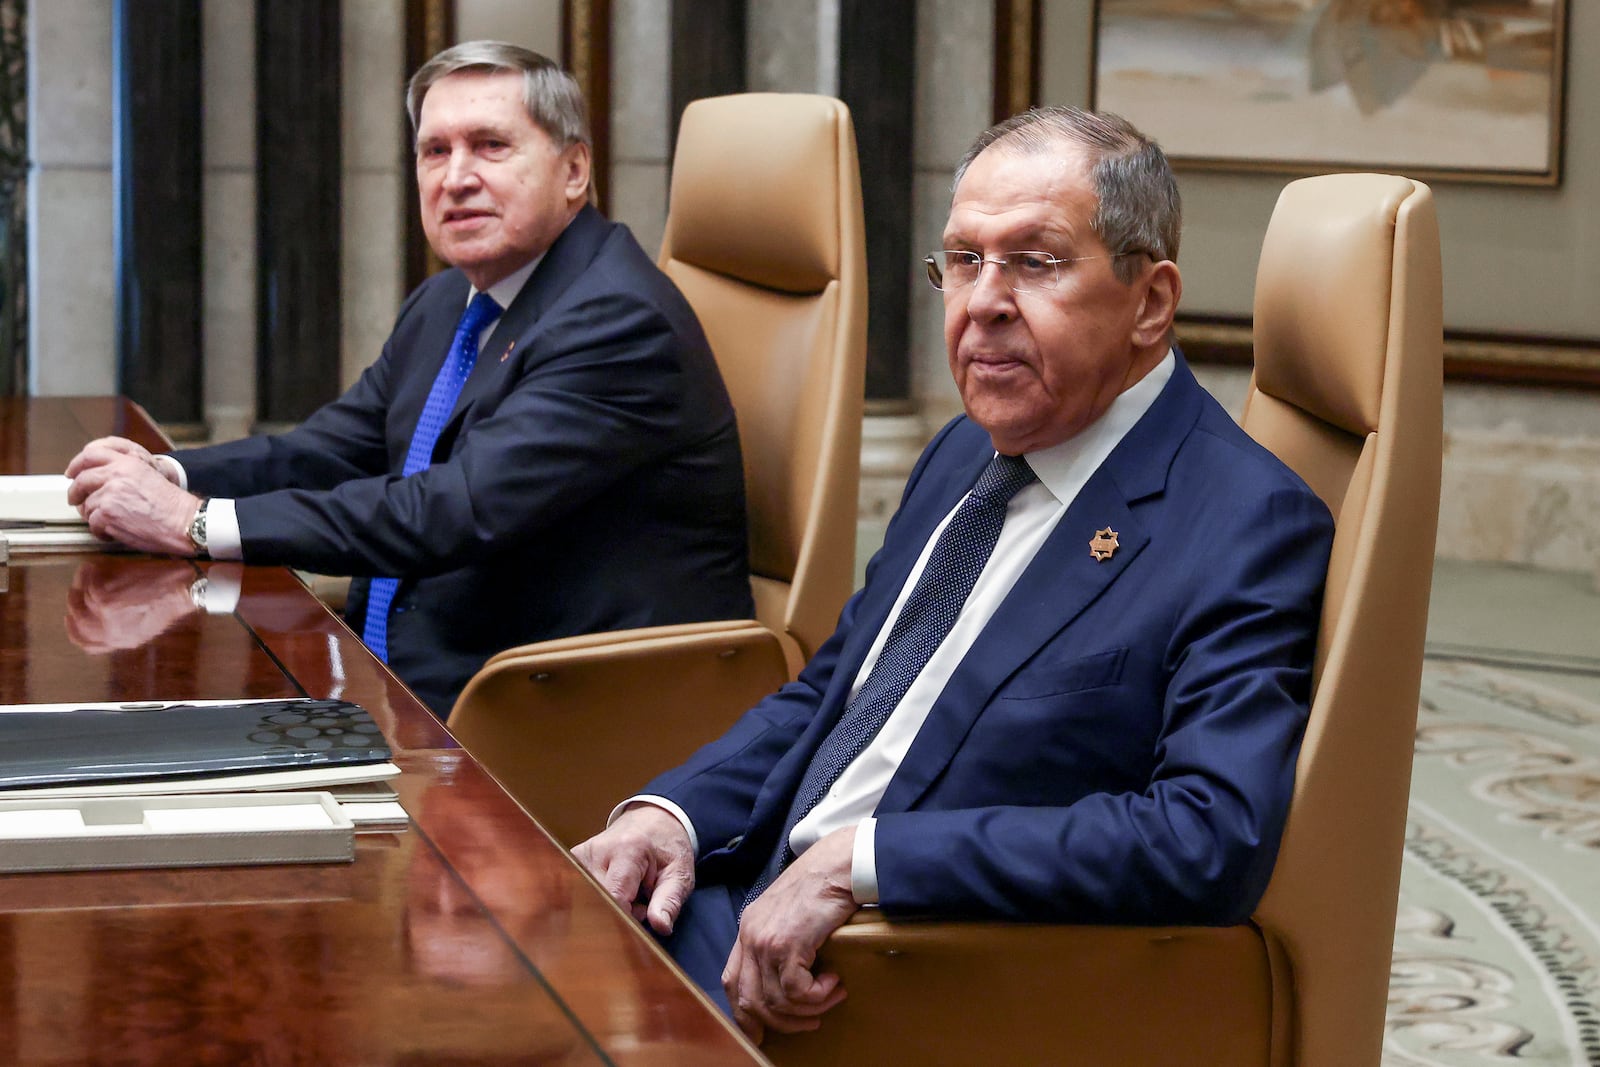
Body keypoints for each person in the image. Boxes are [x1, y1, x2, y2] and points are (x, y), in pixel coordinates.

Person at [573, 106, 1336, 1043]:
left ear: (1151, 300)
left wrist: (871, 860)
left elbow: (1204, 834)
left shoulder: (1243, 520)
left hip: (897, 970)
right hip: (747, 896)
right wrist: (674, 814)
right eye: (963, 260)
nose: (983, 301)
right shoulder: (965, 454)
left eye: (1036, 261)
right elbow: (835, 692)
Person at [64, 42, 753, 716]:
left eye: (490, 146)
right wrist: (170, 474)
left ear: (575, 170)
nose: (455, 178)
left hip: (551, 714)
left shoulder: (617, 320)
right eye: (434, 151)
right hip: (405, 683)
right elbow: (333, 448)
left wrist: (196, 524)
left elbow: (453, 508)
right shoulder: (452, 300)